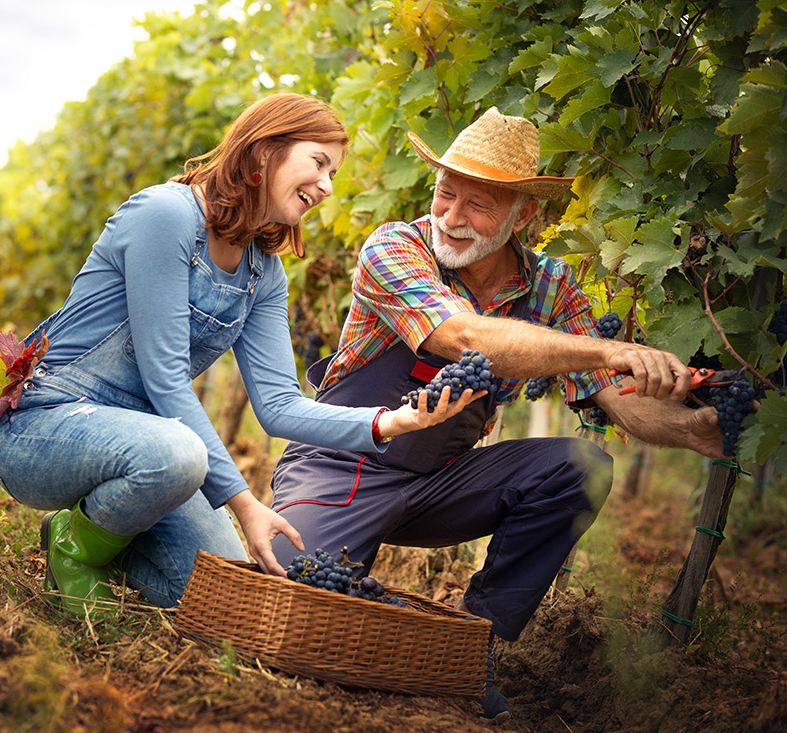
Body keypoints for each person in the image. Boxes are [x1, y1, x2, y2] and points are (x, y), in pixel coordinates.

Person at [267, 107, 727, 721]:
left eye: (477, 205)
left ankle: (468, 648)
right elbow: (459, 336)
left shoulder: (553, 289)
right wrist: (610, 347)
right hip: (341, 464)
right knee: (300, 594)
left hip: (440, 480)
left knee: (579, 465)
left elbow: (614, 400)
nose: (452, 217)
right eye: (445, 194)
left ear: (523, 216)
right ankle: (392, 635)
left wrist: (692, 430)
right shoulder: (397, 247)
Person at [0, 93, 483, 619]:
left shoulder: (262, 274)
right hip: (44, 427)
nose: (327, 186)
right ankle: (76, 549)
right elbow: (165, 379)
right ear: (266, 151)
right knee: (179, 456)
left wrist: (391, 422)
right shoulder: (165, 216)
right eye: (318, 163)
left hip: (147, 447)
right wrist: (245, 504)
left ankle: (101, 527)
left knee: (221, 605)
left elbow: (278, 406)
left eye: (333, 172)